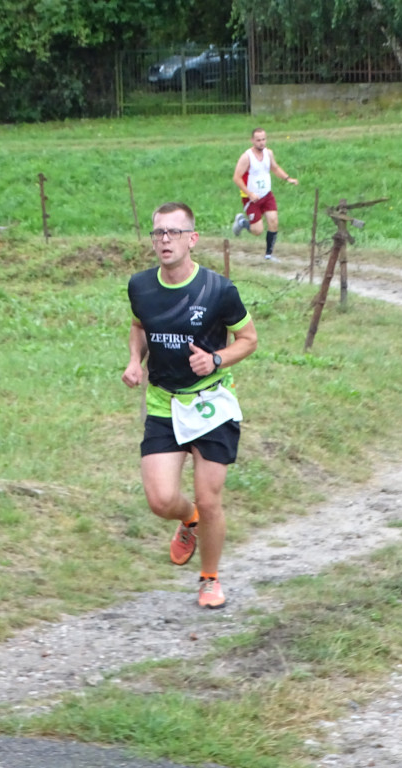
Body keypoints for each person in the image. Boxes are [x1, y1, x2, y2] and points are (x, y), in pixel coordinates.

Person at [121, 202, 259, 609]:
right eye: (158, 233)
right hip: (164, 401)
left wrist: (216, 359)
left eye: (173, 233)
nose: (164, 240)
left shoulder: (219, 290)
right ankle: (189, 521)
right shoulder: (141, 286)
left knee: (209, 496)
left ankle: (209, 578)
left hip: (211, 404)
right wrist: (134, 361)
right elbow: (138, 325)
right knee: (161, 500)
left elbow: (249, 340)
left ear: (192, 239)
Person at [232, 127, 298, 260]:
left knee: (273, 221)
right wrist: (249, 193)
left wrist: (287, 178)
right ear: (252, 140)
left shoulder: (269, 153)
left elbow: (275, 168)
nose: (261, 143)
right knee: (257, 231)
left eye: (263, 139)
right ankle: (242, 223)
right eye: (258, 140)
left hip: (267, 195)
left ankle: (269, 254)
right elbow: (236, 177)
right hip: (251, 199)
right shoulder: (246, 157)